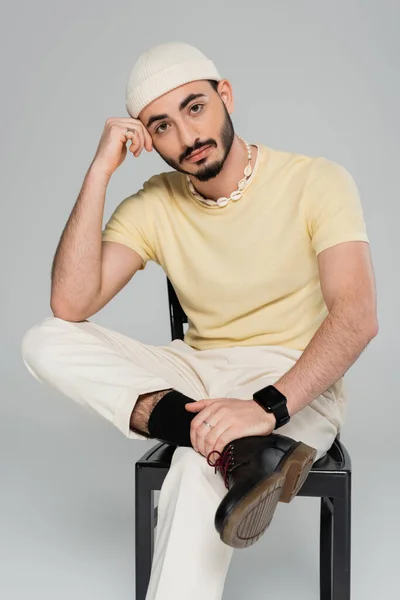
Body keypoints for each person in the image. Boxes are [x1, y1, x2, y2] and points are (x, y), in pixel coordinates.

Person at [21, 41, 378, 600]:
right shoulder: (154, 203)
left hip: (292, 379)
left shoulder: (317, 181)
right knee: (43, 341)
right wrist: (99, 171)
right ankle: (222, 445)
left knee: (192, 472)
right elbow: (70, 305)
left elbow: (356, 317)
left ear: (225, 96)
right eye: (160, 126)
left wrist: (266, 407)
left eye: (195, 108)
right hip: (197, 372)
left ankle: (222, 446)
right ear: (145, 138)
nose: (187, 137)